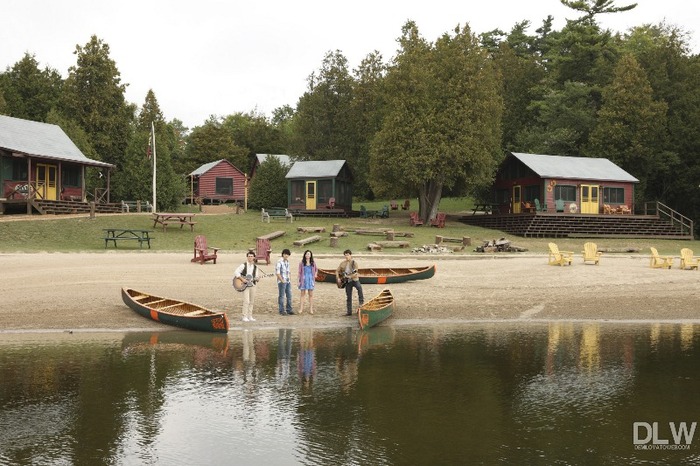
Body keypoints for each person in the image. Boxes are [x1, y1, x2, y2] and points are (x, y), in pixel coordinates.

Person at [233, 250, 260, 322]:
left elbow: (256, 276)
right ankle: (244, 316)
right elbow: (236, 272)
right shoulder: (243, 265)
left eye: (251, 256)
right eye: (249, 256)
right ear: (247, 257)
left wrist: (257, 279)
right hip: (244, 285)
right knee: (246, 301)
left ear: (254, 257)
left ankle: (250, 316)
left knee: (252, 301)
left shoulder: (255, 267)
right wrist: (242, 279)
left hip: (253, 285)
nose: (250, 257)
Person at [336, 249, 363, 316]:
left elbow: (356, 273)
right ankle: (349, 312)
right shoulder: (342, 263)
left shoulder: (354, 263)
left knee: (359, 288)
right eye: (345, 255)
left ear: (350, 255)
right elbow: (337, 271)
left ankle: (361, 303)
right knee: (348, 296)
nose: (346, 256)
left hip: (354, 280)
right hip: (347, 282)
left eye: (348, 255)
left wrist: (350, 277)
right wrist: (338, 278)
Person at [297, 249, 318, 314]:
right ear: (304, 255)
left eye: (309, 254)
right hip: (303, 279)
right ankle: (301, 308)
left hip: (310, 280)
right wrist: (298, 281)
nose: (307, 255)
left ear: (311, 255)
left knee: (310, 294)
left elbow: (316, 269)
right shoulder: (302, 263)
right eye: (306, 254)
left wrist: (315, 274)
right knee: (302, 294)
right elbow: (299, 272)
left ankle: (311, 309)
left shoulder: (313, 263)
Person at [275, 249, 294, 316]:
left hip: (288, 281)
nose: (286, 255)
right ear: (283, 254)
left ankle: (289, 309)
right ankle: (281, 310)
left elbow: (288, 271)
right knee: (282, 296)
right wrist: (282, 280)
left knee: (289, 295)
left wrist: (289, 280)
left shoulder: (287, 262)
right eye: (285, 254)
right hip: (282, 281)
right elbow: (277, 273)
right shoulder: (279, 262)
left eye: (287, 254)